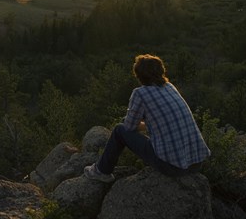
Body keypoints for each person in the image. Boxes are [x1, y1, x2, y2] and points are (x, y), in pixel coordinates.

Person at [84, 54, 210, 183]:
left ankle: (102, 171)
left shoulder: (140, 93)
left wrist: (132, 122)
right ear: (162, 70)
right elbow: (160, 122)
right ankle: (102, 169)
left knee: (119, 130)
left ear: (139, 76)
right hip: (196, 163)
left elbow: (129, 127)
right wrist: (145, 124)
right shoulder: (170, 87)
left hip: (172, 167)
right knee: (126, 125)